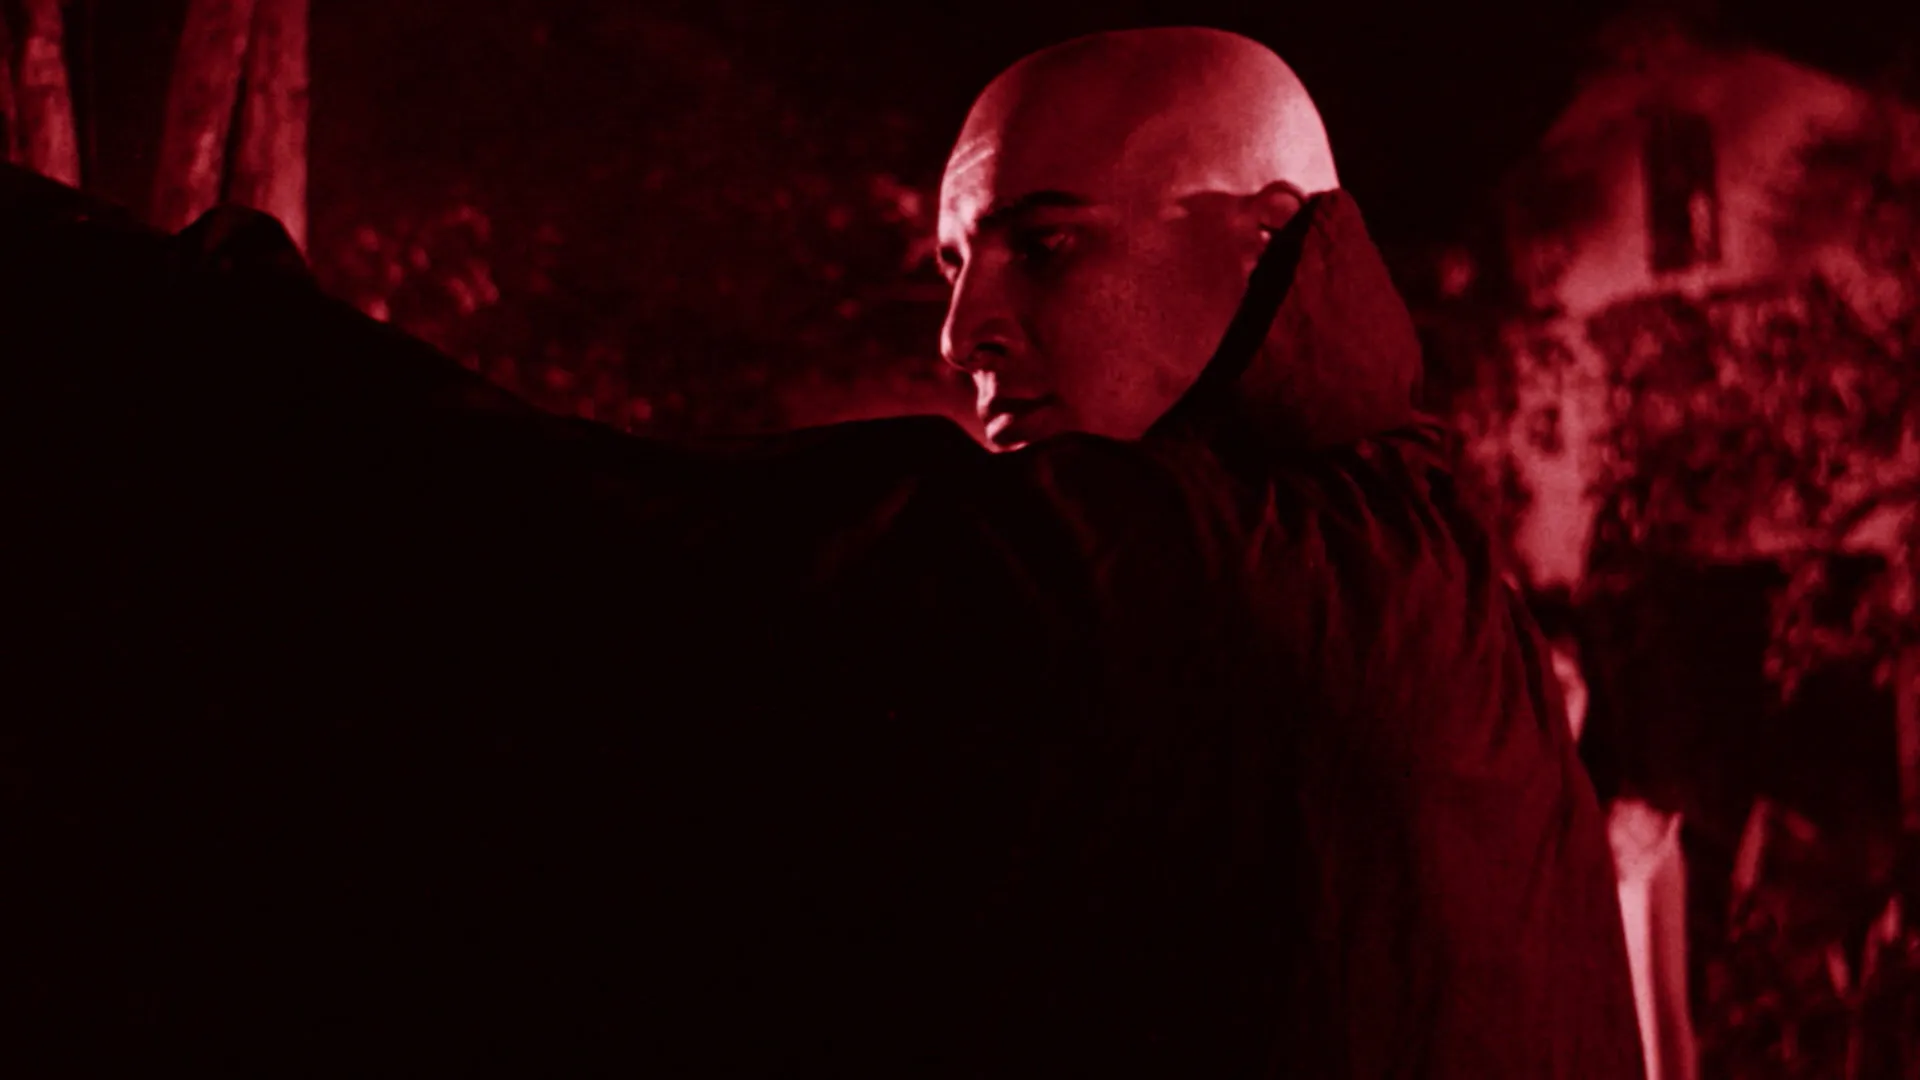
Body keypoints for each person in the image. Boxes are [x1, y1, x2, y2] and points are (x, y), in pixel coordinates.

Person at [3, 26, 1643, 1078]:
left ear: (1268, 241)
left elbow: (586, 553)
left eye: (1046, 245)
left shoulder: (1221, 589)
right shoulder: (1416, 583)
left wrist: (96, 299)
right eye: (952, 265)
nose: (963, 329)